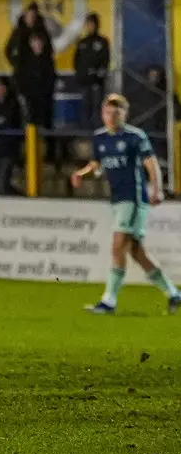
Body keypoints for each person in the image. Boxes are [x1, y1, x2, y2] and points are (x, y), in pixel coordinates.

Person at [72, 94, 181, 315]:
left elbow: (151, 164)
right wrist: (82, 174)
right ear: (102, 114)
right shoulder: (100, 138)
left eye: (116, 113)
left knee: (117, 245)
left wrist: (157, 190)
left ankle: (108, 301)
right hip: (117, 199)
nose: (111, 117)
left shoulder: (134, 137)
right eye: (108, 112)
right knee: (136, 252)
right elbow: (96, 164)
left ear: (124, 114)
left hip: (134, 198)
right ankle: (173, 293)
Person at [73, 13, 110, 129]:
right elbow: (76, 61)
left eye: (92, 23)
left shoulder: (102, 41)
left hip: (97, 82)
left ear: (96, 25)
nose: (89, 26)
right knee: (85, 107)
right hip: (84, 82)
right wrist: (81, 74)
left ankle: (99, 133)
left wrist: (99, 74)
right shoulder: (82, 43)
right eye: (87, 24)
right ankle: (85, 134)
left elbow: (105, 60)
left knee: (98, 107)